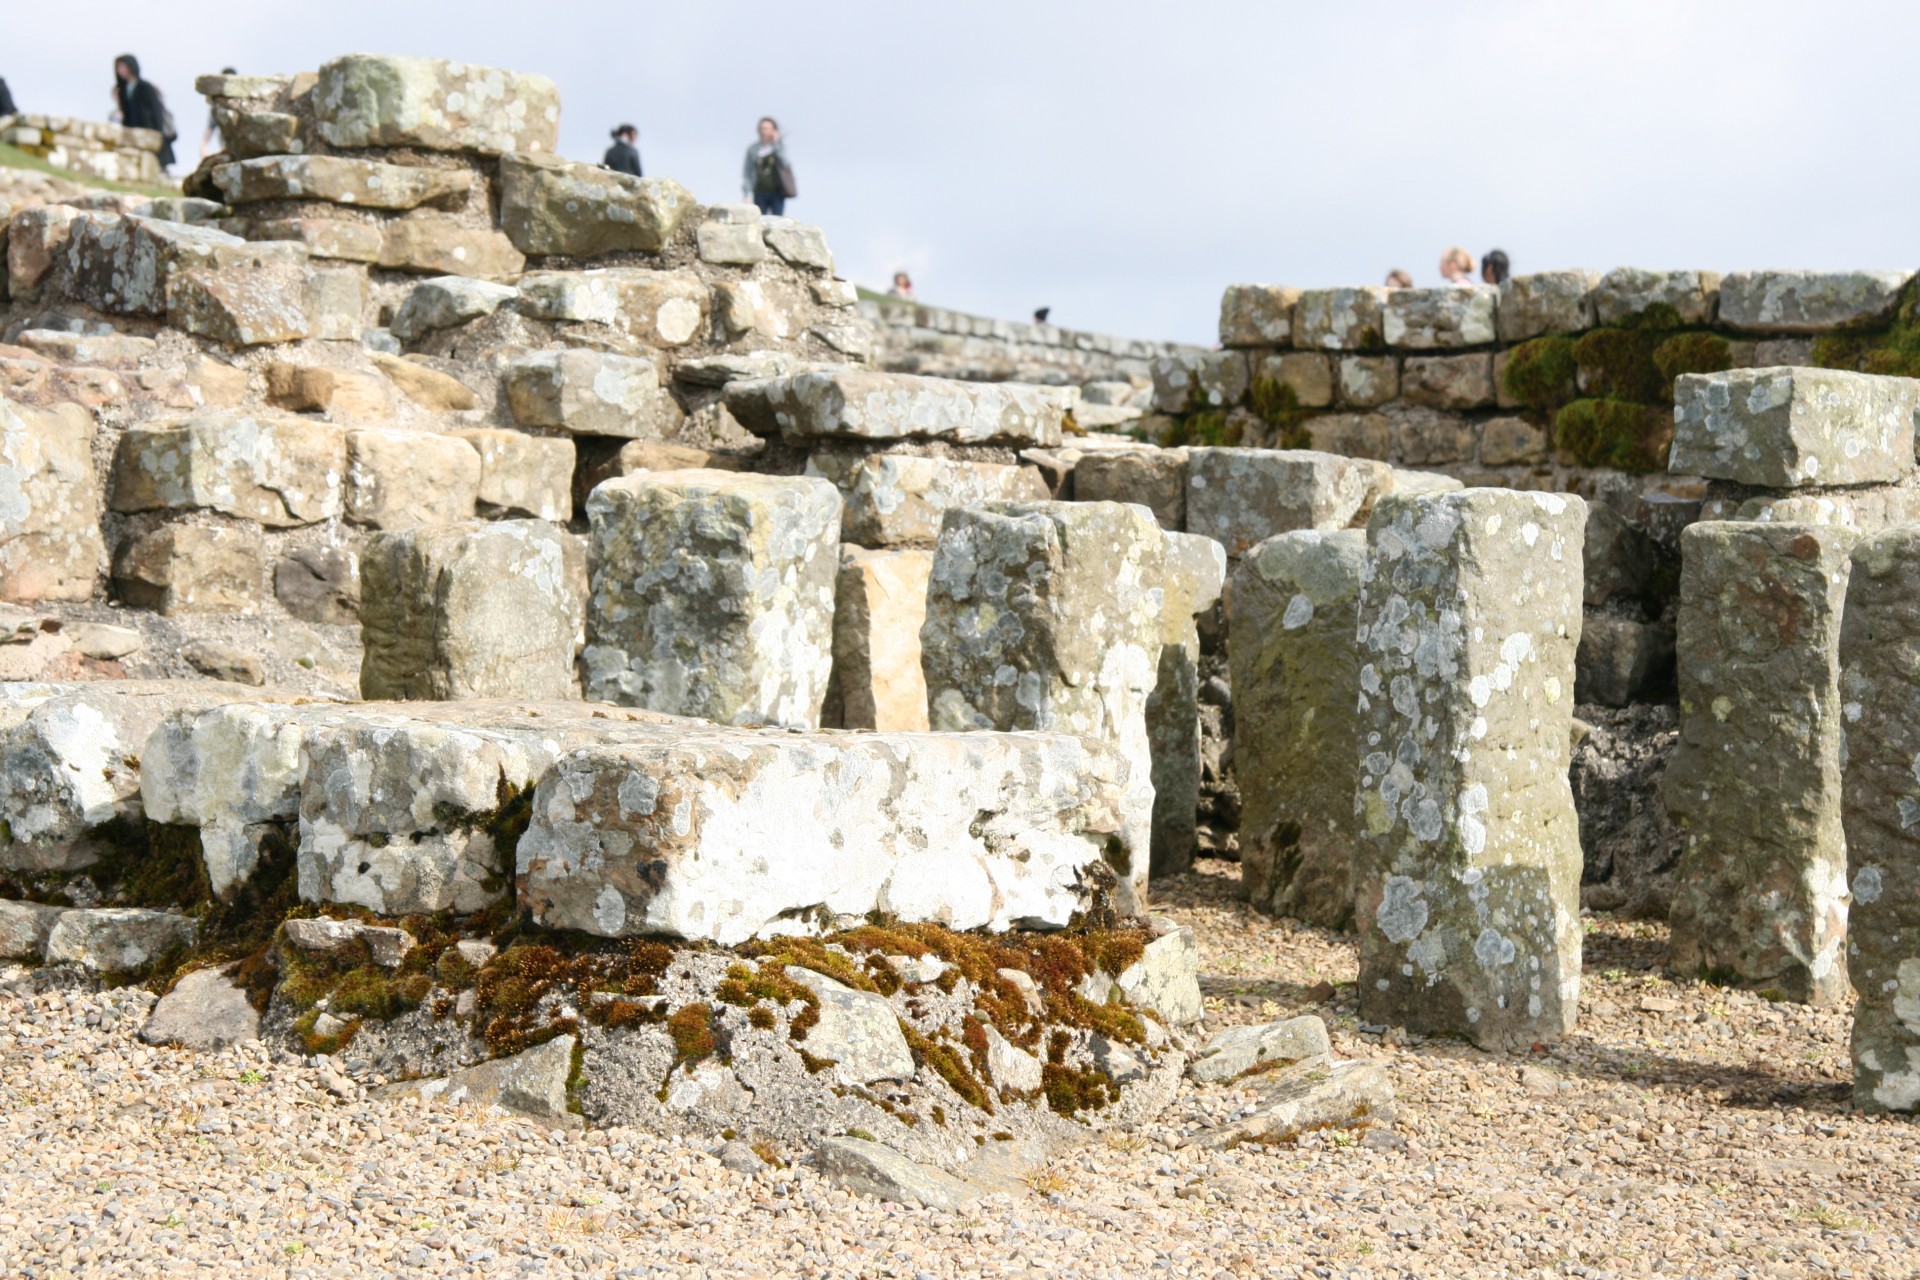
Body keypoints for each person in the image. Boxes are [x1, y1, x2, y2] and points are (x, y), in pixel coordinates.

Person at [111, 54, 175, 171]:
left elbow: (157, 111)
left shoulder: (145, 87)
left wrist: (158, 132)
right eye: (118, 67)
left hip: (150, 130)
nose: (120, 70)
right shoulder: (123, 90)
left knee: (157, 163)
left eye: (123, 66)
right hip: (132, 132)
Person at [742, 116, 792, 216]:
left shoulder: (779, 147)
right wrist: (746, 193)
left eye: (767, 128)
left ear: (773, 130)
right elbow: (747, 171)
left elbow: (785, 163)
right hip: (759, 191)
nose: (763, 131)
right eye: (762, 128)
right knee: (760, 220)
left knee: (778, 221)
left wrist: (777, 144)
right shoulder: (753, 149)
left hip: (777, 192)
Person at [201, 66, 236, 159]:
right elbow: (209, 131)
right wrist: (203, 147)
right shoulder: (217, 106)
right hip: (228, 149)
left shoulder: (218, 106)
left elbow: (208, 133)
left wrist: (203, 146)